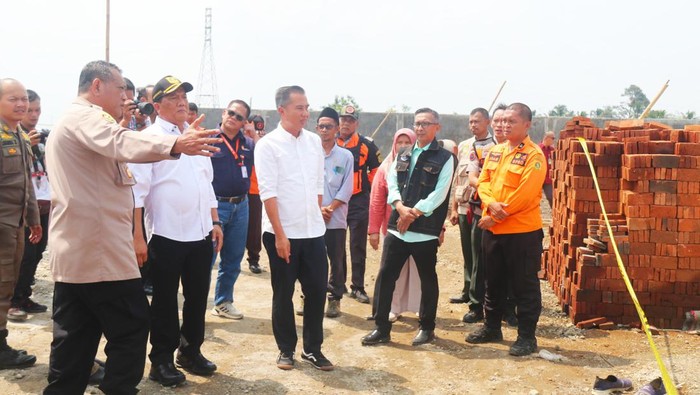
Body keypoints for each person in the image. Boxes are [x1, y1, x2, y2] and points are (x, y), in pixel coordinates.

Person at [44, 61, 221, 394]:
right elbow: (122, 143)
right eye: (120, 89)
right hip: (100, 253)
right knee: (131, 327)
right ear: (97, 86)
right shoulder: (87, 118)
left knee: (76, 339)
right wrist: (174, 146)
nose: (125, 98)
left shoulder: (78, 118)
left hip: (84, 252)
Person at [130, 76, 223, 386]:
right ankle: (161, 360)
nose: (182, 100)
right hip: (166, 234)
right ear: (157, 105)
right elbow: (137, 193)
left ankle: (190, 351)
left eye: (184, 94)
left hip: (199, 233)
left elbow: (205, 182)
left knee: (197, 298)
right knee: (165, 301)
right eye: (174, 96)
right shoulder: (150, 138)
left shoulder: (194, 135)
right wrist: (138, 235)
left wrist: (215, 221)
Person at [255, 85, 334, 371]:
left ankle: (313, 349)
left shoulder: (313, 141)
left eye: (306, 107)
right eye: (299, 108)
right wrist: (280, 234)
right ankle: (285, 349)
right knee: (283, 291)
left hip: (312, 231)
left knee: (315, 291)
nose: (306, 113)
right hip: (282, 233)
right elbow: (268, 192)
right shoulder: (268, 145)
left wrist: (314, 213)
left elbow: (316, 183)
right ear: (282, 110)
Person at [361, 108, 454, 347]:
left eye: (425, 124)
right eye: (417, 124)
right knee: (385, 277)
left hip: (424, 231)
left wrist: (412, 213)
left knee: (427, 279)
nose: (420, 128)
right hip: (396, 229)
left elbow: (440, 193)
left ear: (437, 127)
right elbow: (391, 183)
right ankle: (381, 327)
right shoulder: (402, 153)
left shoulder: (445, 158)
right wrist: (399, 207)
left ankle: (427, 327)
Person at [465, 103, 546, 357]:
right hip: (494, 230)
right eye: (504, 121)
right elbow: (484, 182)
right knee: (493, 282)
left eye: (512, 121)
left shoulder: (535, 155)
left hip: (522, 233)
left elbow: (526, 194)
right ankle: (491, 328)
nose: (505, 125)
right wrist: (490, 204)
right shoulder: (496, 151)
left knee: (524, 285)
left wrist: (497, 215)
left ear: (527, 125)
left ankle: (526, 337)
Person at [0, 78, 41, 370]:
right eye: (13, 98)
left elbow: (26, 184)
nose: (21, 104)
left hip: (14, 227)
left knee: (7, 285)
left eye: (23, 98)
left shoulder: (21, 137)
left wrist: (34, 220)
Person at [368, 128, 421, 322]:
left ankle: (417, 306)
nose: (404, 147)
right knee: (392, 270)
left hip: (418, 228)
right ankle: (393, 307)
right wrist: (373, 230)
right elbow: (376, 201)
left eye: (408, 143)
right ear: (394, 144)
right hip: (392, 229)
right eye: (400, 142)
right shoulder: (386, 167)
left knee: (416, 270)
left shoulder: (422, 165)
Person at [209, 99, 255, 320]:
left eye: (239, 116)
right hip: (215, 206)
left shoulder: (249, 144)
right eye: (231, 113)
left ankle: (223, 302)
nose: (233, 118)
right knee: (206, 259)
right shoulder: (208, 140)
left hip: (241, 205)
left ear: (244, 122)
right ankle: (197, 304)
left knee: (233, 258)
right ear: (223, 112)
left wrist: (253, 135)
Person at [8, 89, 49, 322]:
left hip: (43, 202)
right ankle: (12, 301)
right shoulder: (12, 137)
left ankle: (24, 296)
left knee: (37, 252)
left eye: (37, 110)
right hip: (21, 206)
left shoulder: (40, 138)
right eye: (29, 110)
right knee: (22, 254)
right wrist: (26, 146)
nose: (33, 114)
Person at [336, 105, 381, 304]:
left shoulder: (366, 145)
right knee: (336, 244)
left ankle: (358, 286)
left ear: (356, 123)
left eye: (350, 120)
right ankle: (338, 283)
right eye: (343, 119)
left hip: (358, 201)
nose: (346, 123)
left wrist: (366, 187)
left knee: (357, 245)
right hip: (335, 201)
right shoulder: (329, 142)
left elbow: (377, 171)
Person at [316, 107, 354, 318]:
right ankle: (309, 296)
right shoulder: (310, 154)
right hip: (313, 218)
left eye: (329, 126)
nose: (324, 130)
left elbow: (347, 188)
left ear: (337, 129)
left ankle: (334, 299)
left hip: (336, 218)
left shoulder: (345, 156)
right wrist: (317, 209)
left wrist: (330, 208)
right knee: (312, 259)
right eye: (321, 126)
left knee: (336, 259)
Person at [448, 115, 477, 306]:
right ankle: (467, 290)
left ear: (488, 122)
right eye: (471, 121)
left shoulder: (494, 146)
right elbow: (458, 179)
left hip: (479, 208)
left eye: (478, 121)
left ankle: (477, 295)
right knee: (467, 252)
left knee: (478, 255)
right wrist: (454, 208)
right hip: (463, 205)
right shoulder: (465, 145)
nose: (474, 125)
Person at [539, 131, 555, 209]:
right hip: (537, 178)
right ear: (546, 138)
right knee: (534, 199)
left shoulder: (552, 150)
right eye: (552, 138)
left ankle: (555, 215)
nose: (553, 140)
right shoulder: (537, 149)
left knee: (551, 197)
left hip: (548, 179)